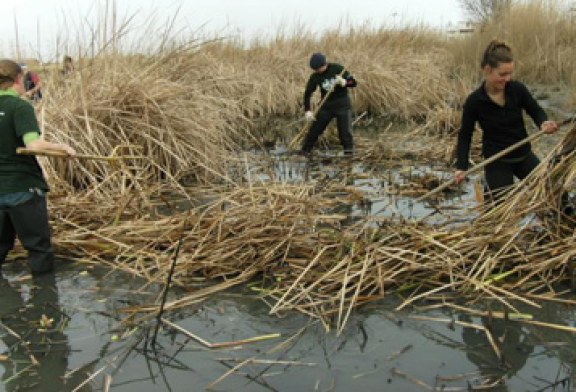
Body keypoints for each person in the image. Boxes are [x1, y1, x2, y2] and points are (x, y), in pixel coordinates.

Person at [454, 40, 558, 202]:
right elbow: (465, 135)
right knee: (501, 208)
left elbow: (535, 110)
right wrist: (461, 167)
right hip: (497, 160)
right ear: (487, 70)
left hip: (523, 155)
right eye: (502, 74)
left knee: (554, 191)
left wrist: (543, 123)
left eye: (510, 74)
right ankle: (489, 189)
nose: (507, 79)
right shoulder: (475, 101)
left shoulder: (517, 89)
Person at [0, 59, 76, 275]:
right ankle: (44, 301)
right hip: (22, 189)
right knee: (38, 249)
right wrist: (62, 147)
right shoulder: (20, 106)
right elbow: (33, 144)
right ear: (17, 79)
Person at [301, 52, 357, 156]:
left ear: (325, 64)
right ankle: (305, 152)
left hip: (342, 105)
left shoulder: (337, 69)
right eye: (315, 69)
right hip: (326, 105)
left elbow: (353, 82)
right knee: (314, 131)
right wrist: (307, 111)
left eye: (319, 68)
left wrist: (344, 82)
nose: (318, 71)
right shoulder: (315, 77)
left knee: (345, 134)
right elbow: (308, 93)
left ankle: (349, 156)